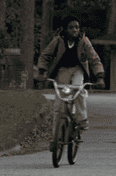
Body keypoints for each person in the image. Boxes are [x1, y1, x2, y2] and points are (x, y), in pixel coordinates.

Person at [36, 15, 105, 151]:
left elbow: (94, 59)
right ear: (65, 29)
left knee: (78, 89)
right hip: (62, 70)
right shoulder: (58, 40)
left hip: (78, 69)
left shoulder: (84, 41)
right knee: (58, 105)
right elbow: (45, 56)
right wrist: (42, 71)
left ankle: (82, 120)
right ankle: (54, 139)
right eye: (71, 27)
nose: (75, 30)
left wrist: (99, 76)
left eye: (77, 27)